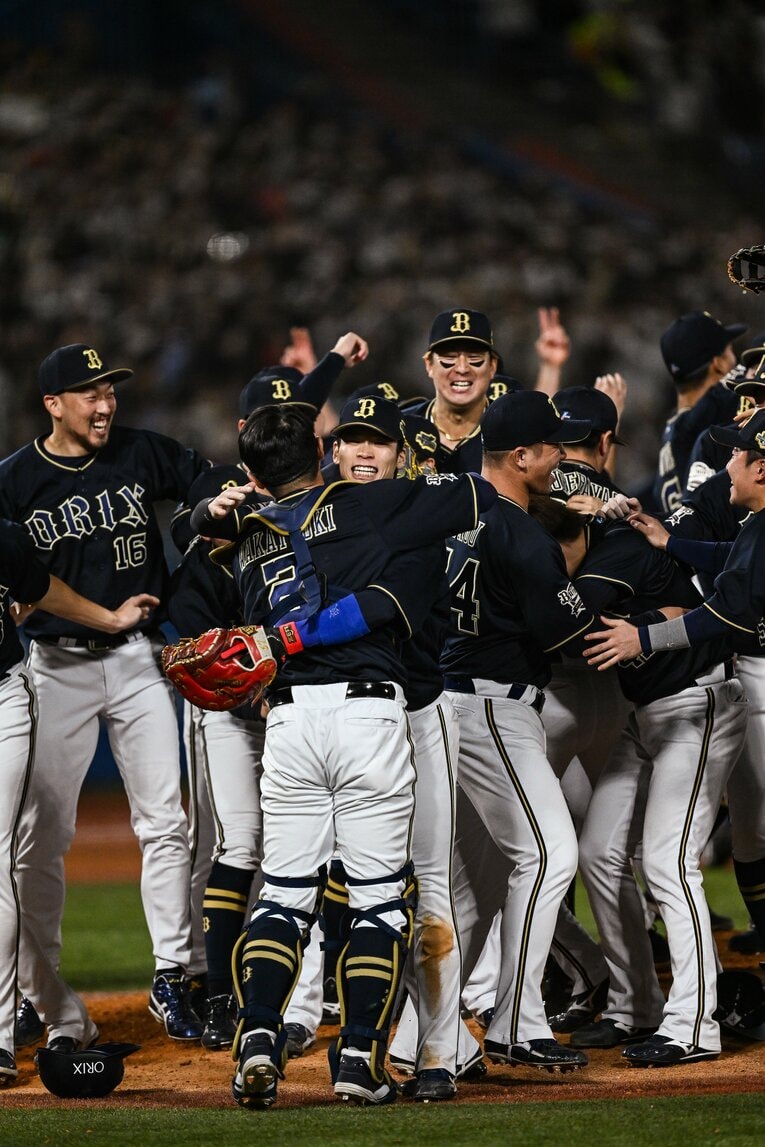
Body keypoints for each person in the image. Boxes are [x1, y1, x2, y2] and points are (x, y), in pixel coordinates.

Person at [190, 403, 497, 1109]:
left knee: (283, 895)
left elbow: (188, 548)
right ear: (325, 449)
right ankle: (358, 1057)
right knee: (379, 902)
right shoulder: (374, 505)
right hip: (368, 714)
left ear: (249, 472)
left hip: (288, 722)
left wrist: (213, 510)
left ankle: (258, 1038)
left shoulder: (243, 534)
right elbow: (480, 491)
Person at [0, 343, 211, 1050]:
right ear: (52, 403)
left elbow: (208, 488)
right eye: (88, 392)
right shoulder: (16, 480)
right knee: (41, 838)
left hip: (139, 659)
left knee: (165, 822)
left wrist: (206, 516)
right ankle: (37, 988)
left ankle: (171, 976)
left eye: (110, 389)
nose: (105, 403)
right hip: (56, 666)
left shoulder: (138, 452)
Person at [440, 389, 598, 1073]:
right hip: (493, 708)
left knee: (470, 889)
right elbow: (570, 631)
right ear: (523, 455)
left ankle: (420, 1034)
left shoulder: (449, 505)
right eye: (553, 447)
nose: (562, 456)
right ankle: (513, 1020)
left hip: (448, 697)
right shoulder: (524, 533)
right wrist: (592, 548)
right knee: (549, 852)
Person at [0, 519, 157, 1084]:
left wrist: (112, 618)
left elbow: (39, 588)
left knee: (2, 864)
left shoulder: (3, 536)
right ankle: (62, 1013)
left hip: (2, 702)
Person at [652, 310, 746, 513]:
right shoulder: (703, 423)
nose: (735, 360)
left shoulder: (674, 429)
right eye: (729, 350)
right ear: (718, 364)